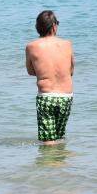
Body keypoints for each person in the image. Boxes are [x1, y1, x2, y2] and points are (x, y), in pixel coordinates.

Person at [25, 10, 74, 145]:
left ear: (38, 27)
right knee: (59, 137)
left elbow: (30, 71)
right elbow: (71, 70)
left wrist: (43, 72)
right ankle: (59, 163)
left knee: (48, 141)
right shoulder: (67, 44)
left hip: (47, 96)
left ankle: (47, 165)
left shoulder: (31, 46)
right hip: (66, 97)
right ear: (54, 26)